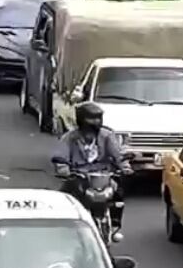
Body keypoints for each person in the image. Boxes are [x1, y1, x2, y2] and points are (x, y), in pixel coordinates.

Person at [50, 102, 129, 241]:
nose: (96, 122)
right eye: (92, 118)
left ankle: (115, 224)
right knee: (64, 199)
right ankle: (66, 229)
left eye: (98, 118)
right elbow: (61, 157)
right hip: (79, 176)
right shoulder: (69, 138)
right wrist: (64, 170)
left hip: (103, 176)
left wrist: (125, 167)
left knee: (119, 192)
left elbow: (118, 155)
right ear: (81, 120)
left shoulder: (107, 135)